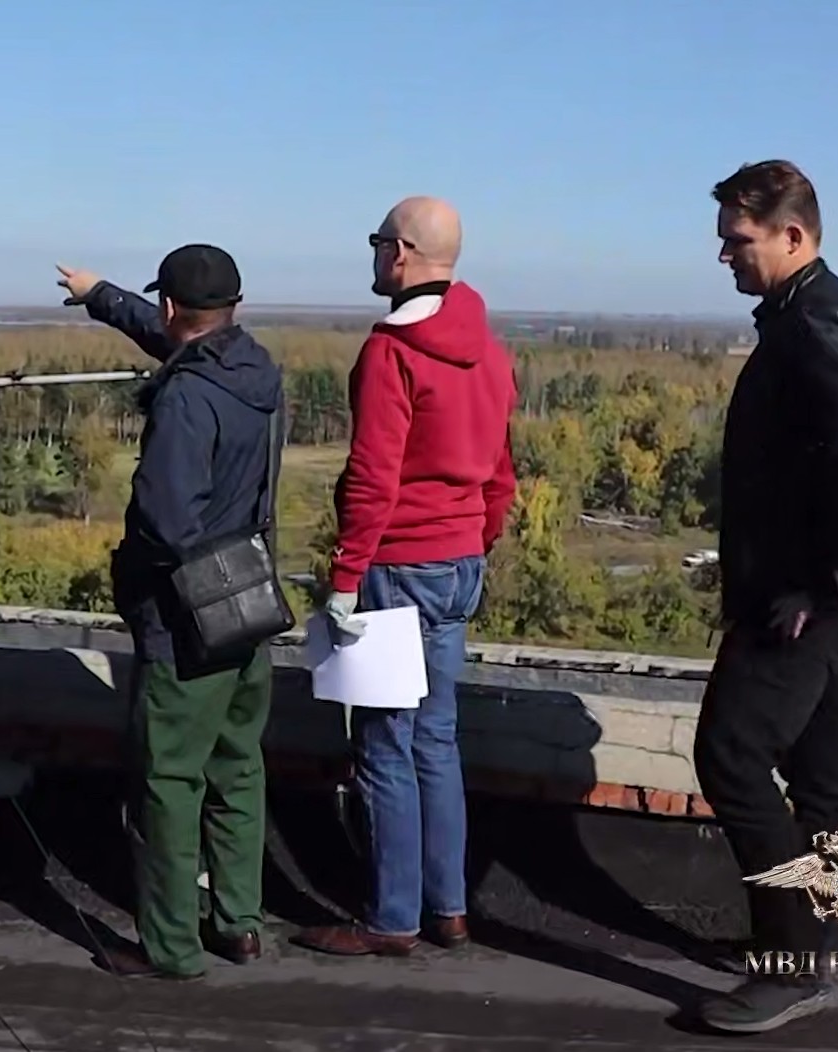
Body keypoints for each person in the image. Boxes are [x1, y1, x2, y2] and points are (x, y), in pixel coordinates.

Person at [691, 160, 838, 1034]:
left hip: (810, 594)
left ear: (792, 235)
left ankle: (788, 966)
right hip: (830, 589)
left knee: (731, 758)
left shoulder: (816, 324)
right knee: (820, 775)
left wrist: (829, 583)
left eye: (737, 241)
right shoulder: (809, 313)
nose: (724, 257)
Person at [292, 196, 516, 959]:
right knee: (437, 741)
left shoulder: (392, 351)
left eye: (377, 241)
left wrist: (345, 576)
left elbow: (373, 475)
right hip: (458, 564)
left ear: (401, 253)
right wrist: (474, 541)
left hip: (396, 568)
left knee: (385, 745)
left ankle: (392, 920)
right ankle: (449, 908)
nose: (374, 253)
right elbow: (501, 473)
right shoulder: (489, 349)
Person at [54, 244, 285, 980]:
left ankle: (171, 946)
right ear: (234, 307)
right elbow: (178, 344)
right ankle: (240, 923)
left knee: (167, 782)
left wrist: (138, 579)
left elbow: (166, 521)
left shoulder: (186, 397)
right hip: (250, 599)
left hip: (186, 619)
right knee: (237, 768)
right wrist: (100, 295)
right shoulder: (257, 371)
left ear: (170, 305)